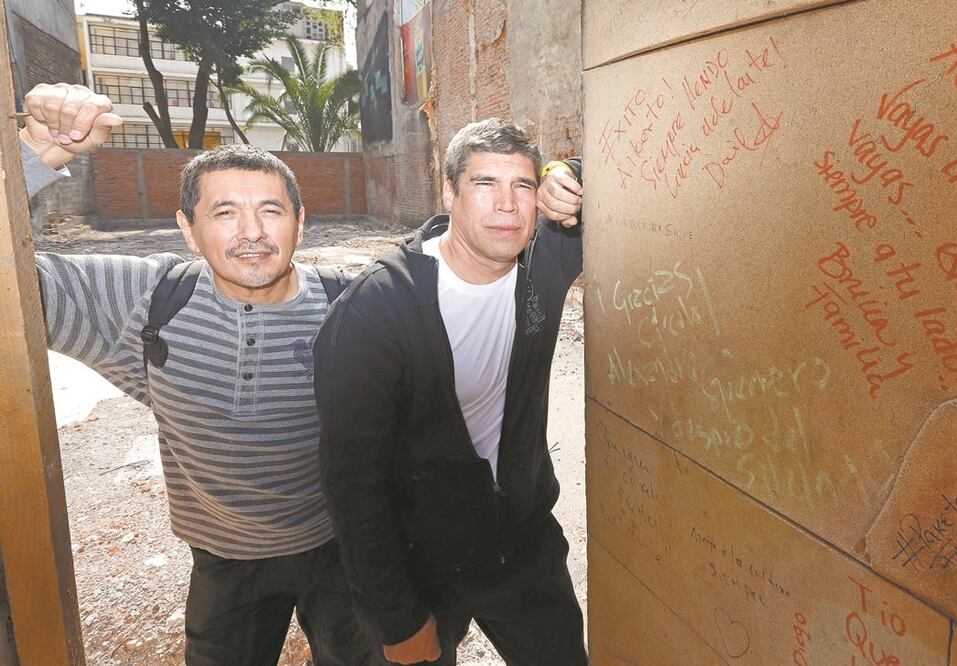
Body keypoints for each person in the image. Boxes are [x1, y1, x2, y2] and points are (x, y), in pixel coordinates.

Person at [19, 81, 381, 666]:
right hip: (225, 559)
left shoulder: (354, 306)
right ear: (188, 228)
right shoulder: (146, 297)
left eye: (271, 210)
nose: (253, 233)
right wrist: (35, 153)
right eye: (224, 212)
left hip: (342, 548)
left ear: (301, 222)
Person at [313, 118, 586, 665]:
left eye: (523, 186)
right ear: (449, 193)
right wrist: (396, 617)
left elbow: (625, 166)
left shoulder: (545, 264)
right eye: (485, 184)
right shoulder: (377, 309)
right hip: (421, 558)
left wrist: (566, 171)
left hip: (519, 540)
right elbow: (352, 485)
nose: (506, 205)